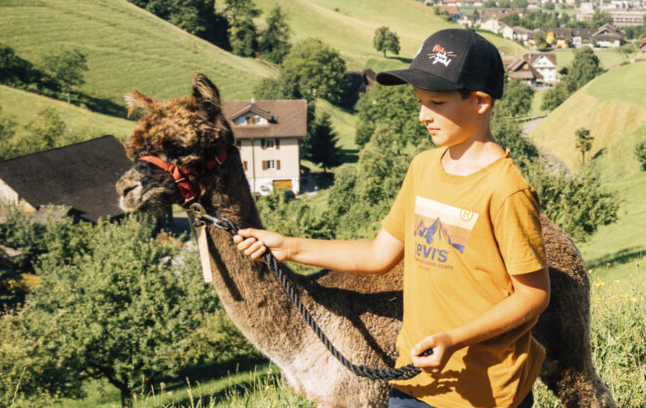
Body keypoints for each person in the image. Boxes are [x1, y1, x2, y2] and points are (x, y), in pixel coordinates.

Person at [233, 29, 549, 408]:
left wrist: (456, 339)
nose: (422, 116)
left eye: (436, 103)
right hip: (414, 381)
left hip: (484, 392)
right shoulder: (423, 168)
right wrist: (289, 246)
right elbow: (378, 255)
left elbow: (533, 294)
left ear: (480, 101)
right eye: (419, 102)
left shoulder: (506, 189)